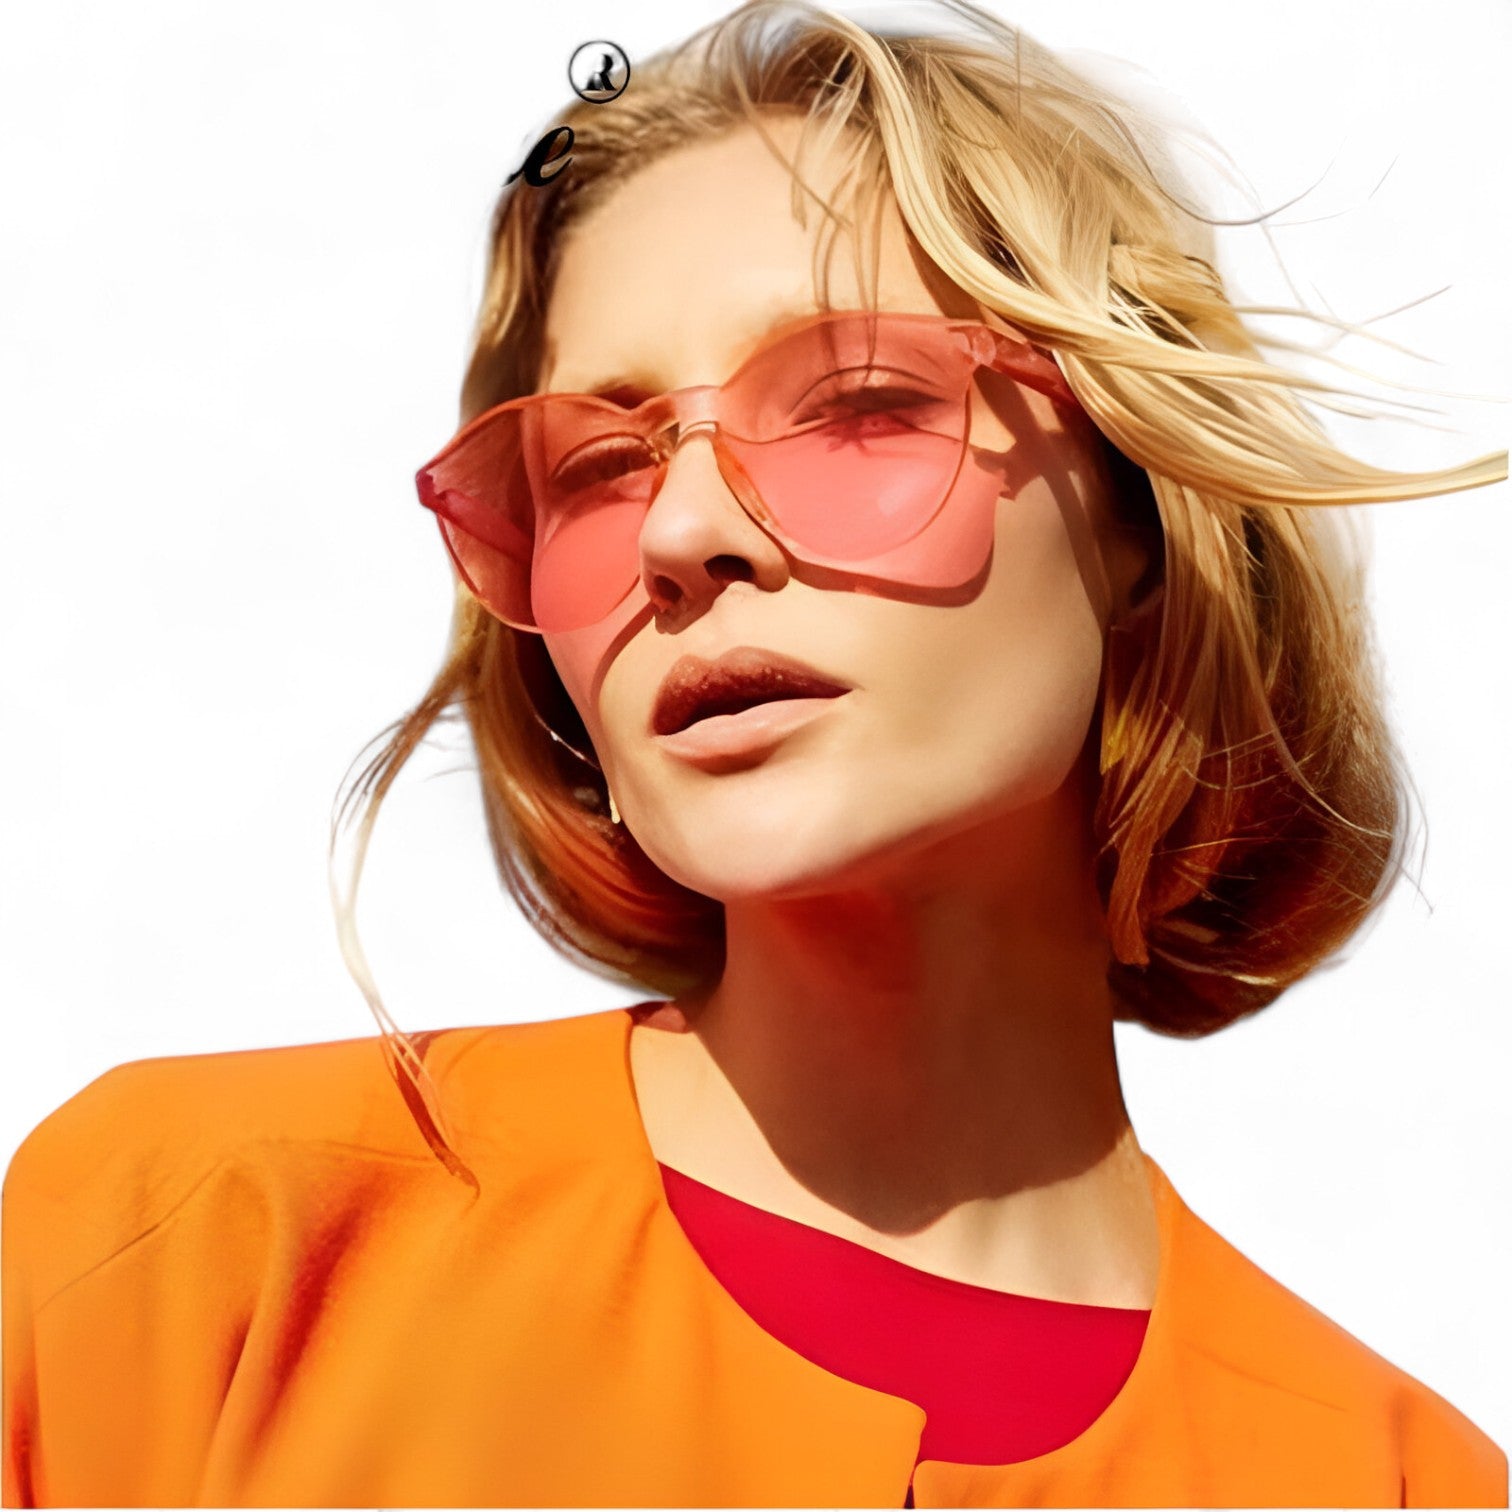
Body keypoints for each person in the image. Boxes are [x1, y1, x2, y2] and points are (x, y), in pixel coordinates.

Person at [2, 1, 1506, 1506]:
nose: (679, 530)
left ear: (1138, 519)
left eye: (860, 409)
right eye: (599, 465)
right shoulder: (199, 1248)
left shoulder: (1393, 1483)